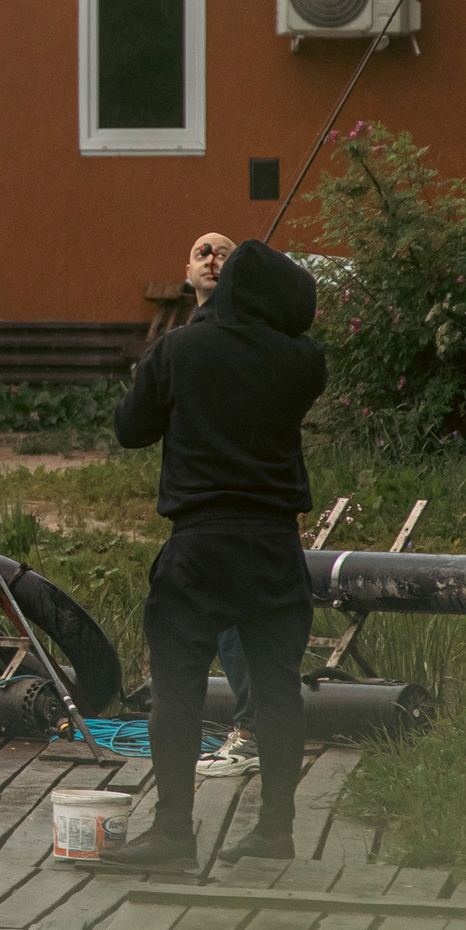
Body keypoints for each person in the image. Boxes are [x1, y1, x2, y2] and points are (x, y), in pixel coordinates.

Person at [112, 237, 326, 868]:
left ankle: (174, 831)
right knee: (279, 689)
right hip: (273, 545)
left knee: (175, 690)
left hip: (199, 545)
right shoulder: (303, 362)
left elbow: (131, 429)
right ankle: (277, 831)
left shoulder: (179, 350)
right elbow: (263, 351)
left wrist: (181, 343)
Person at [175, 231, 263, 782]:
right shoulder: (187, 335)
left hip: (238, 496)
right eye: (201, 251)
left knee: (235, 617)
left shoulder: (243, 331)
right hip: (199, 499)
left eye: (223, 253)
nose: (211, 258)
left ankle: (253, 733)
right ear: (188, 271)